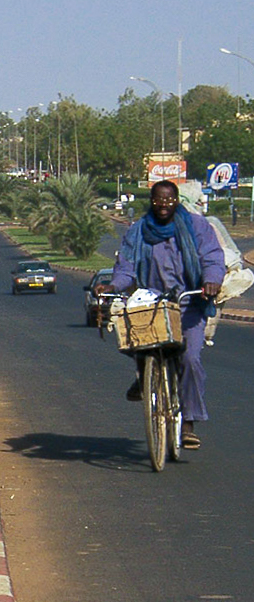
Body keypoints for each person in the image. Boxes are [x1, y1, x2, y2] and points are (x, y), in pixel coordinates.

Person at [95, 180, 225, 450]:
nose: (163, 205)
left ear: (176, 201)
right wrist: (113, 285)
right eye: (157, 200)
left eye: (168, 200)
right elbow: (126, 268)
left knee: (190, 358)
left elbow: (212, 258)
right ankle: (144, 377)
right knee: (136, 341)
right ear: (151, 201)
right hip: (152, 301)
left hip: (189, 303)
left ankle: (188, 422)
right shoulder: (138, 231)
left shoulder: (197, 227)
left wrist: (211, 281)